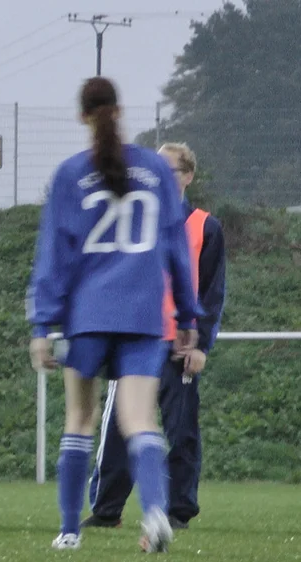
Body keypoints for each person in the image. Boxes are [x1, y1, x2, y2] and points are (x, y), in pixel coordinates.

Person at [26, 77, 202, 552]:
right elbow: (175, 249)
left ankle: (67, 531)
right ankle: (156, 514)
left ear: (85, 116)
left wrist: (42, 324)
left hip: (88, 313)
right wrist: (188, 316)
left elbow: (53, 257)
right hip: (145, 315)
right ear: (119, 111)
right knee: (141, 420)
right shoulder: (156, 170)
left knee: (79, 419)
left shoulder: (70, 174)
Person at [83, 143, 226, 531]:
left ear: (188, 176)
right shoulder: (132, 222)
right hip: (135, 341)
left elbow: (212, 294)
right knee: (117, 430)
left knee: (181, 433)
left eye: (170, 170)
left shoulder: (204, 227)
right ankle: (107, 509)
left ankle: (179, 511)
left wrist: (201, 345)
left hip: (179, 347)